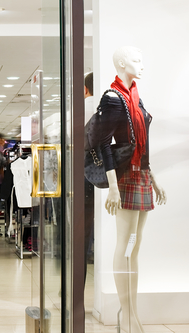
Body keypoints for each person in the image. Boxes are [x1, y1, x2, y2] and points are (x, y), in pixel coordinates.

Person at [100, 46, 166, 333]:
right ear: (122, 63)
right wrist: (112, 186)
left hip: (140, 176)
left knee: (134, 248)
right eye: (136, 60)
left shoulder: (136, 99)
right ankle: (126, 316)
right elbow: (103, 143)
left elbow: (143, 143)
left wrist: (152, 178)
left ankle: (131, 313)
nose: (141, 65)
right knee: (123, 244)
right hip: (124, 178)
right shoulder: (113, 98)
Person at [84, 72, 95, 277]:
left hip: (84, 174)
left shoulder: (81, 109)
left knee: (81, 231)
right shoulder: (111, 107)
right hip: (109, 173)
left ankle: (76, 284)